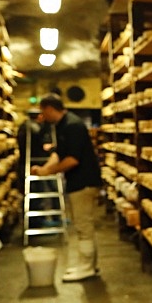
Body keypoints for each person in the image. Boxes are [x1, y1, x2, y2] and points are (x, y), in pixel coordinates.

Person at [32, 94, 102, 282]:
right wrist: (45, 169)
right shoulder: (62, 125)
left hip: (84, 183)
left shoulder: (73, 125)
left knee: (83, 226)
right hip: (78, 182)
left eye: (42, 111)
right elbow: (59, 154)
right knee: (84, 225)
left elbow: (72, 159)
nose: (42, 115)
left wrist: (49, 171)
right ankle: (88, 265)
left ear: (49, 108)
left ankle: (87, 267)